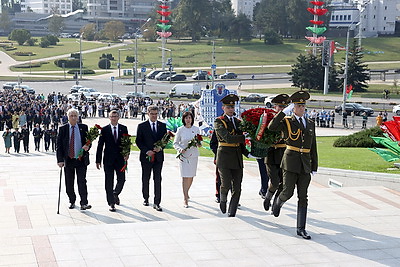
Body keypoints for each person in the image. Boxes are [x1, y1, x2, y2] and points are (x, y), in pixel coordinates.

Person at [268, 91, 318, 239]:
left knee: (303, 196)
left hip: (305, 164)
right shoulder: (287, 121)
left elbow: (313, 146)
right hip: (290, 162)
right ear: (293, 107)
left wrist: (314, 165)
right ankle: (278, 202)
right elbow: (272, 127)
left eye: (303, 105)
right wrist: (283, 113)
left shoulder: (310, 123)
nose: (302, 108)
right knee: (287, 192)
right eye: (298, 105)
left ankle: (301, 228)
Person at [214, 94, 249, 217]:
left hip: (237, 157)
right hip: (224, 157)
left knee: (237, 187)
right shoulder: (219, 121)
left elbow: (241, 143)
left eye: (232, 107)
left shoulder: (239, 122)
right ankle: (223, 199)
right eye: (228, 107)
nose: (231, 109)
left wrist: (247, 152)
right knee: (226, 184)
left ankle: (232, 211)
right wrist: (243, 137)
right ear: (223, 107)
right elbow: (227, 138)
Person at [56, 108, 92, 210]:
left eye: (75, 116)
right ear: (68, 117)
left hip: (81, 159)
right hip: (68, 160)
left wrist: (87, 146)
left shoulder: (83, 127)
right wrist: (60, 160)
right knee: (69, 183)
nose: (73, 117)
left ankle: (84, 202)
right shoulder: (63, 129)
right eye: (71, 116)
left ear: (78, 117)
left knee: (82, 181)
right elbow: (59, 145)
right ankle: (72, 200)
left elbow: (89, 141)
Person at [96, 110, 129, 212]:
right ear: (109, 118)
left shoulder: (123, 128)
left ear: (118, 117)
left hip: (120, 160)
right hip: (108, 160)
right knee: (108, 181)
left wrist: (127, 153)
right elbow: (100, 145)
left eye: (115, 116)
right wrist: (98, 160)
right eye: (111, 116)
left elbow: (127, 143)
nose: (113, 118)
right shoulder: (105, 130)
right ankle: (111, 202)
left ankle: (115, 193)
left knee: (122, 180)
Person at [136, 105, 167, 212]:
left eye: (155, 114)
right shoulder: (142, 126)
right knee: (146, 178)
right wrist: (146, 151)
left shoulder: (162, 126)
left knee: (158, 179)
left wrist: (160, 147)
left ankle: (157, 202)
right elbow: (138, 141)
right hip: (146, 157)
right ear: (148, 114)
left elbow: (165, 140)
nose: (154, 116)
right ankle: (146, 197)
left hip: (158, 157)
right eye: (152, 114)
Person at [263, 94, 290, 212]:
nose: (281, 109)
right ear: (275, 107)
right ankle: (268, 197)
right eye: (279, 106)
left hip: (284, 154)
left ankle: (276, 205)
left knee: (283, 184)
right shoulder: (269, 119)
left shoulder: (289, 120)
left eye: (284, 107)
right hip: (271, 154)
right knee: (274, 181)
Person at [173, 112, 201, 208]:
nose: (188, 120)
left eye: (189, 118)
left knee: (191, 176)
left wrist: (198, 143)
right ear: (183, 119)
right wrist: (180, 149)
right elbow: (175, 143)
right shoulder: (180, 130)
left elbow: (199, 141)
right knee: (185, 176)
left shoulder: (196, 129)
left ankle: (187, 191)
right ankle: (185, 198)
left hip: (193, 156)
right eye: (186, 118)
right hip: (183, 156)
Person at [209, 131, 221, 203]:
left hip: (233, 156)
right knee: (219, 178)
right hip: (220, 157)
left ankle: (234, 198)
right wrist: (218, 153)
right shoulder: (218, 127)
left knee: (233, 178)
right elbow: (212, 144)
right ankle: (218, 195)